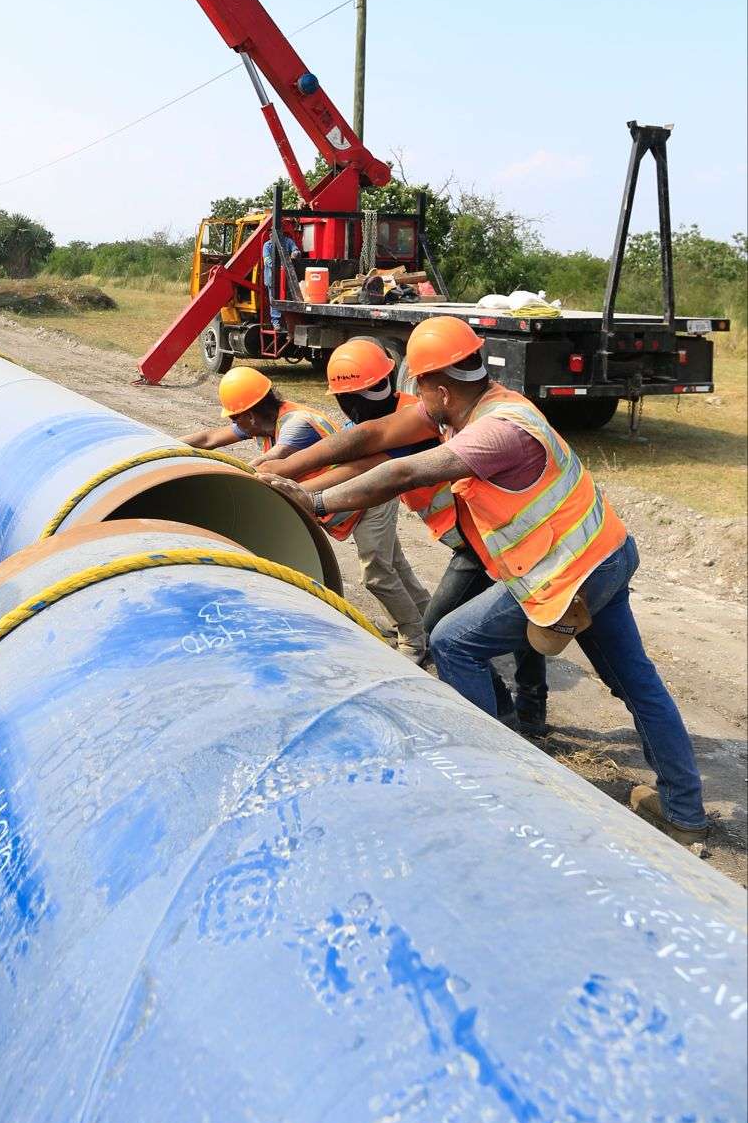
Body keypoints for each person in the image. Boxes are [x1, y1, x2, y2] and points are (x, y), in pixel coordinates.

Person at [263, 316, 708, 845]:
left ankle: (499, 785)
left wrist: (314, 501)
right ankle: (684, 812)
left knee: (453, 642)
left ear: (440, 389)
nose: (416, 397)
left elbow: (403, 473)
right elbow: (372, 435)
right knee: (637, 683)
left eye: (420, 386)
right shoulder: (477, 404)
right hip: (604, 552)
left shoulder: (499, 430)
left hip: (567, 573)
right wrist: (278, 471)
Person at [258, 340, 547, 734]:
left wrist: (302, 495)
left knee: (444, 631)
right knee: (520, 615)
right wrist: (280, 470)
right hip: (475, 539)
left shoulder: (415, 419)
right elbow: (349, 448)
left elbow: (365, 469)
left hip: (482, 541)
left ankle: (505, 713)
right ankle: (529, 707)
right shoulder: (392, 414)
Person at [184, 363, 428, 660]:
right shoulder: (262, 421)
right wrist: (161, 451)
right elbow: (208, 439)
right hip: (347, 495)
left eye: (236, 418)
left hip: (368, 497)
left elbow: (269, 465)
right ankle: (425, 616)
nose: (235, 425)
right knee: (394, 563)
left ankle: (414, 640)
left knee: (376, 572)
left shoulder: (296, 425)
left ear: (250, 414)